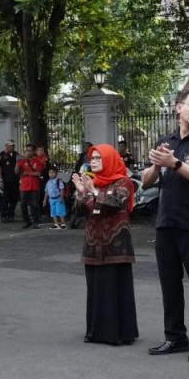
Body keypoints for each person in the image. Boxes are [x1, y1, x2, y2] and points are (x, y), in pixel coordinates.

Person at [142, 89, 189, 362]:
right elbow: (148, 181)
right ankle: (174, 336)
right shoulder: (167, 141)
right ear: (178, 108)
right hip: (166, 222)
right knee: (169, 283)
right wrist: (155, 164)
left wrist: (173, 164)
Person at [74, 145, 139, 345]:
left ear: (109, 159)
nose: (92, 161)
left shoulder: (123, 181)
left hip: (116, 245)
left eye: (97, 158)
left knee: (115, 288)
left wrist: (93, 191)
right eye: (91, 158)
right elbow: (78, 213)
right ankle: (96, 332)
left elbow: (116, 203)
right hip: (94, 244)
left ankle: (119, 333)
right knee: (96, 288)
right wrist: (81, 193)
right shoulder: (93, 181)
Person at [16, 143, 44, 229]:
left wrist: (27, 173)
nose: (28, 152)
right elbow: (16, 171)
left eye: (29, 150)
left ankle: (35, 222)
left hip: (34, 186)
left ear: (33, 151)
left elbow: (39, 173)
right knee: (23, 204)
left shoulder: (38, 162)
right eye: (26, 151)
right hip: (24, 186)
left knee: (34, 205)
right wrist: (18, 163)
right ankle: (26, 221)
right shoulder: (22, 161)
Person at [0, 141, 21, 223]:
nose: (12, 147)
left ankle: (11, 215)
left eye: (13, 146)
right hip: (6, 181)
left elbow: (20, 165)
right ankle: (4, 216)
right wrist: (0, 178)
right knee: (5, 199)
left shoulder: (16, 154)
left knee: (14, 199)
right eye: (10, 146)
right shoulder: (1, 155)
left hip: (15, 180)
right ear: (6, 146)